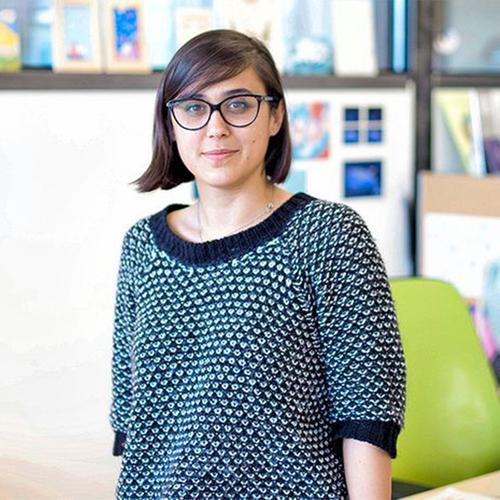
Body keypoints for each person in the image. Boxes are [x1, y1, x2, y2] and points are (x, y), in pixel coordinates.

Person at [109, 29, 406, 499]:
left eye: (238, 104)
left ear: (275, 115)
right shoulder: (141, 246)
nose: (215, 128)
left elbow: (367, 415)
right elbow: (133, 425)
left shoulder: (329, 235)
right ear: (171, 124)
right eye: (193, 108)